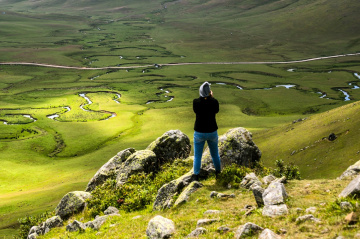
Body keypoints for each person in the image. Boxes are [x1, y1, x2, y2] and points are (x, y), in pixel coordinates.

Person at [192, 82, 221, 180]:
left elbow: (196, 110)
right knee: (215, 154)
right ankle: (218, 173)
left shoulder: (196, 102)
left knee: (197, 156)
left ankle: (196, 175)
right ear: (209, 92)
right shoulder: (214, 102)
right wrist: (211, 97)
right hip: (212, 131)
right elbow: (216, 110)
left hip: (199, 132)